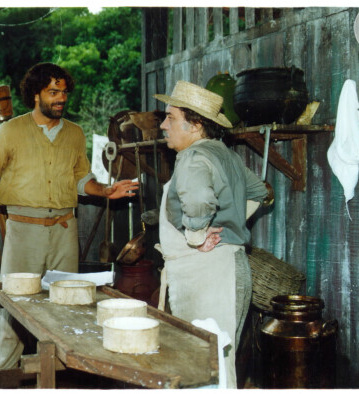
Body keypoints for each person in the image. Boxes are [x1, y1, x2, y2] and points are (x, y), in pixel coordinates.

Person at [0, 62, 138, 370]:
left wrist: (106, 191)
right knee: (14, 308)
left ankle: (61, 378)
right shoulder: (10, 131)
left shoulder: (74, 133)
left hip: (64, 230)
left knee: (66, 307)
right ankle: (1, 378)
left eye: (64, 92)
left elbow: (82, 178)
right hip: (24, 230)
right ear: (35, 95)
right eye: (53, 92)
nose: (61, 98)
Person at [154, 81, 269, 388]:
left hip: (206, 275)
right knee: (221, 359)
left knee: (206, 366)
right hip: (230, 267)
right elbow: (261, 191)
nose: (163, 125)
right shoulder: (224, 154)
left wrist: (197, 236)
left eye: (171, 118)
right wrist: (226, 222)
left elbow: (199, 200)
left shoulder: (192, 157)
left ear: (195, 125)